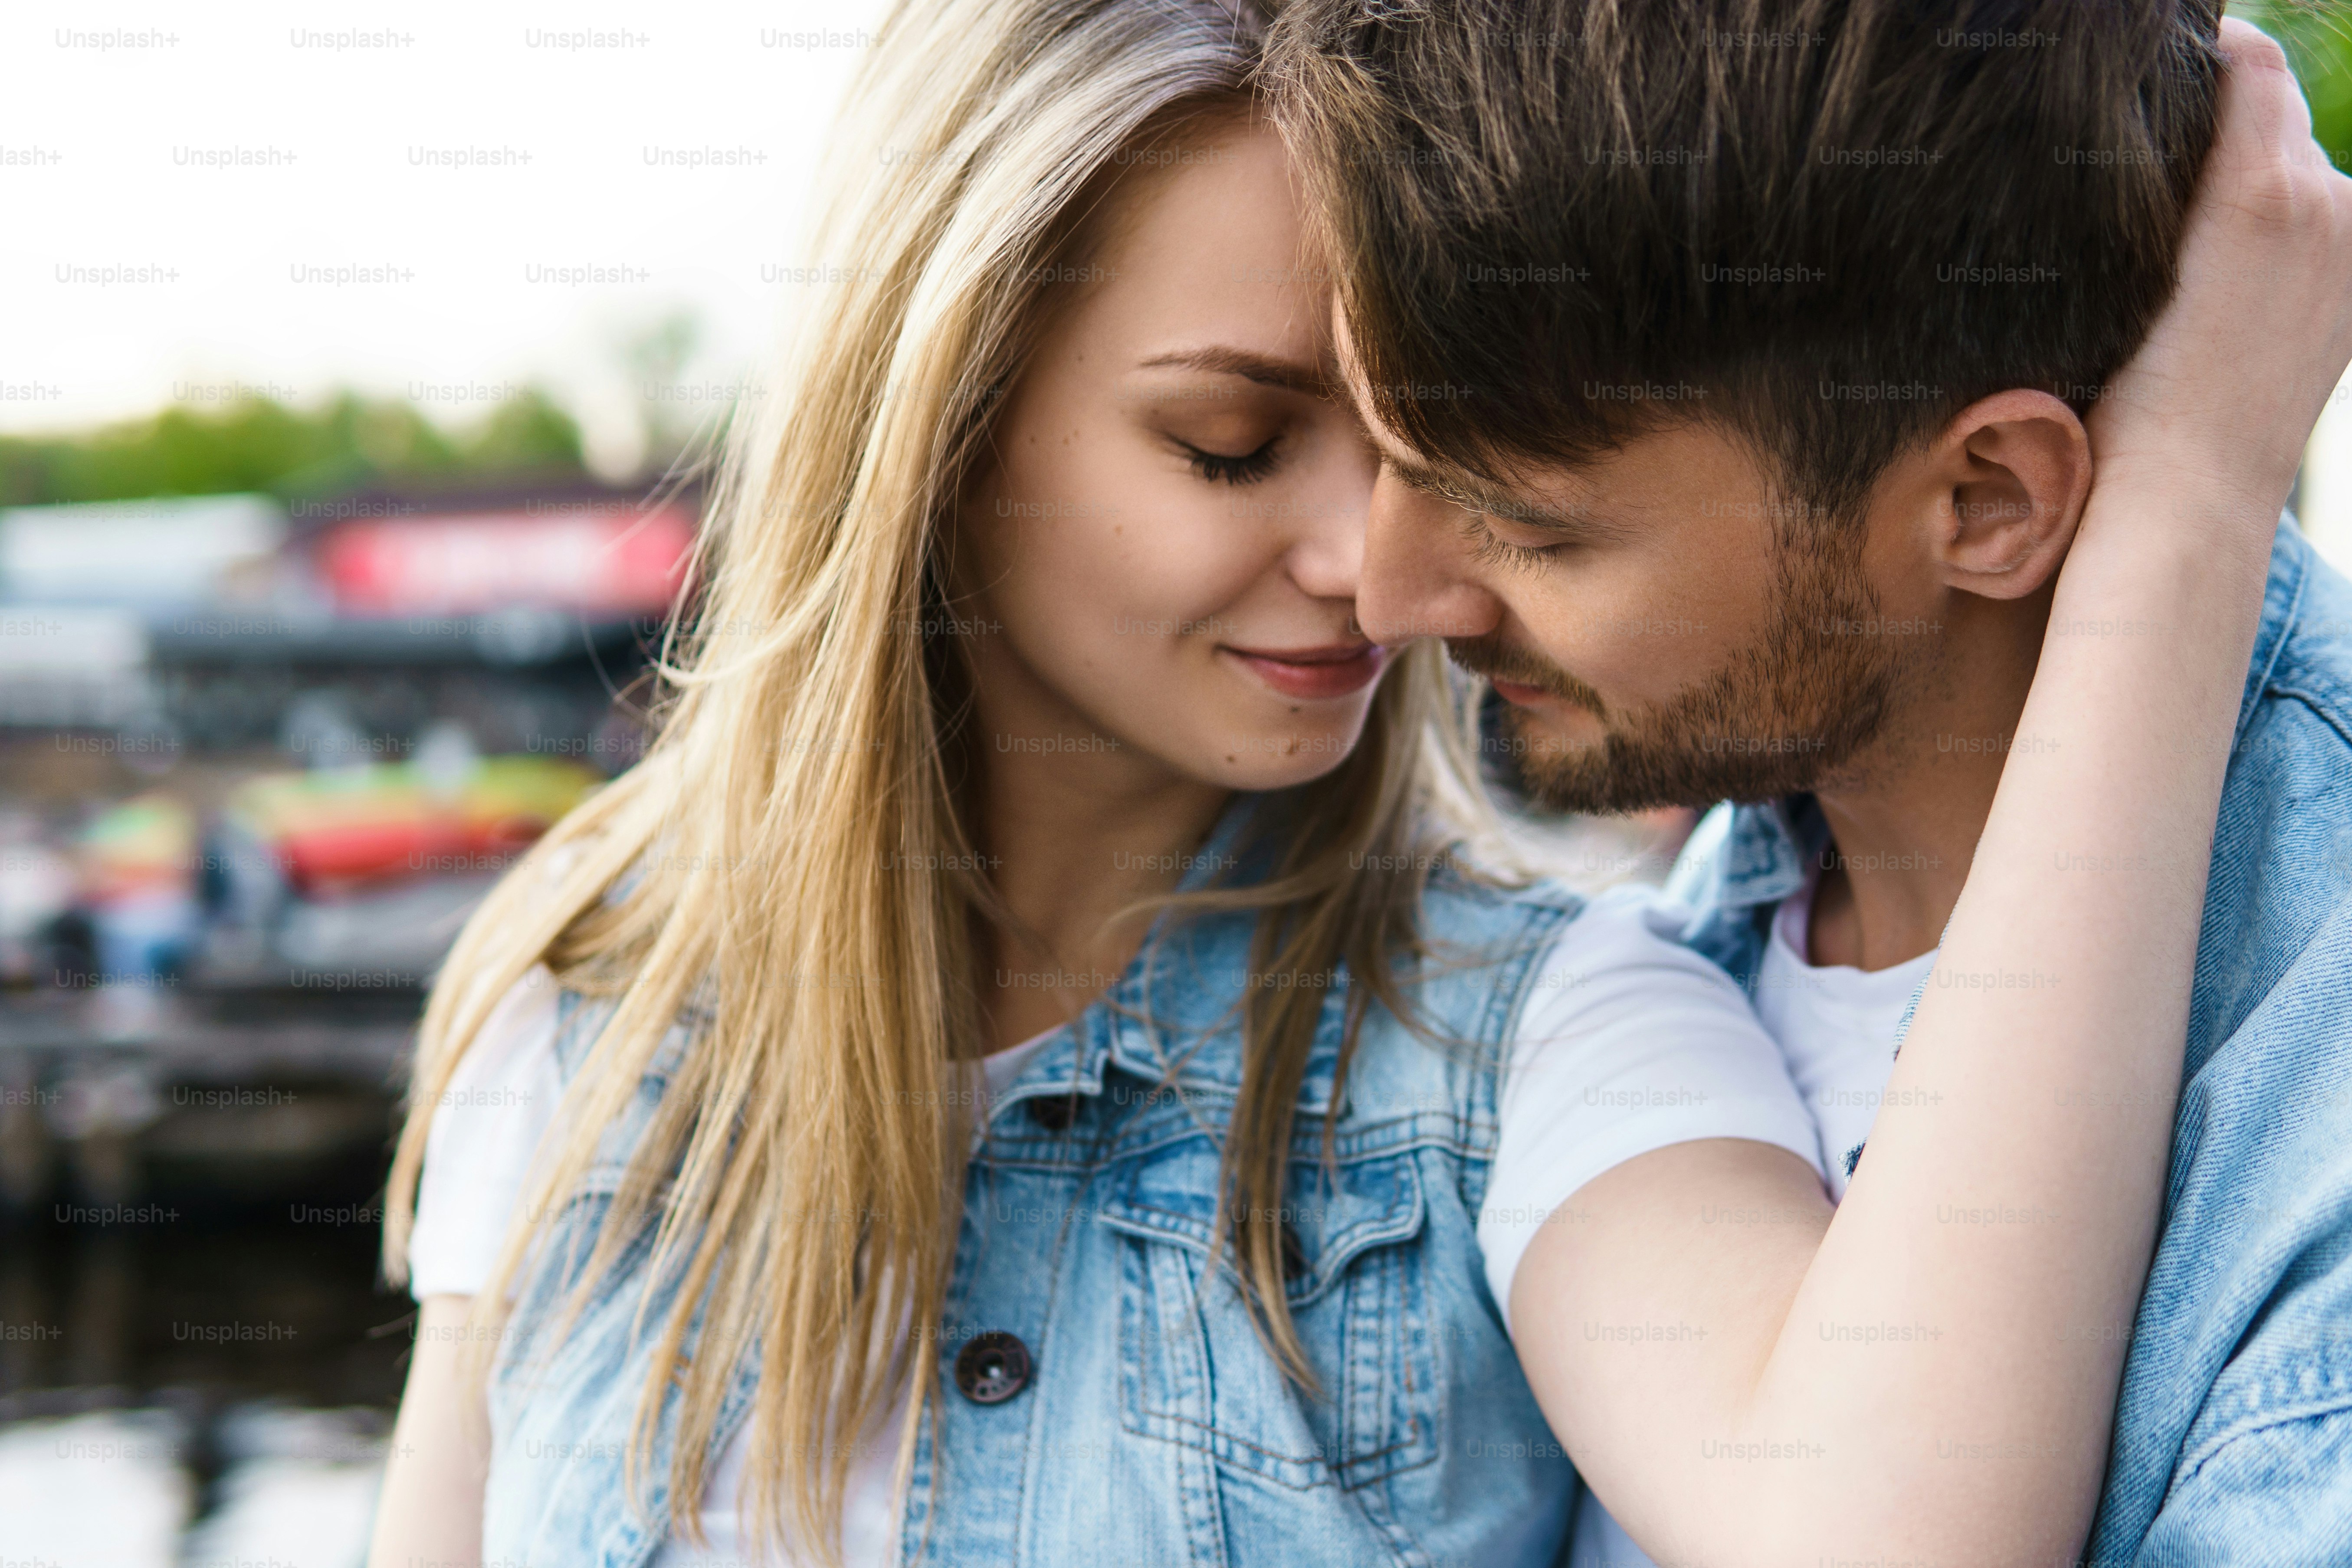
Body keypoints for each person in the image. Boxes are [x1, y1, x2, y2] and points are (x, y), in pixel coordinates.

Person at [365, 4, 2342, 1567]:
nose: (1376, 577)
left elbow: (1875, 1520)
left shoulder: (1540, 1031)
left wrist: (2186, 496)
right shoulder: (581, 1011)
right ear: (934, 428)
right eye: (1234, 444)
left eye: (1440, 462)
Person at [1265, 2, 2352, 1564]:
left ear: (1987, 500)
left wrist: (2189, 503)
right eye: (1389, 459)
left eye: (1531, 526)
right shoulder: (1675, 954)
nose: (1390, 598)